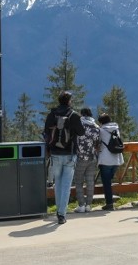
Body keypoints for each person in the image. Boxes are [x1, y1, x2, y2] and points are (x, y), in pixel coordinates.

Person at [43, 91, 85, 224]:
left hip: (55, 153)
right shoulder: (74, 115)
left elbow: (46, 131)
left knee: (58, 183)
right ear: (69, 101)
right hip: (70, 153)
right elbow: (81, 132)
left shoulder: (52, 114)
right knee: (66, 185)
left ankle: (58, 210)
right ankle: (61, 214)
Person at [72, 108, 100, 214]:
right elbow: (97, 142)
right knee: (90, 182)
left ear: (81, 114)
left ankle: (81, 205)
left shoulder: (79, 124)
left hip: (80, 157)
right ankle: (88, 205)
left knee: (78, 181)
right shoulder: (96, 126)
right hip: (92, 157)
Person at [97, 113, 124, 211]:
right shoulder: (116, 128)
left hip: (105, 159)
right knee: (110, 179)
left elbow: (98, 141)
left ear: (101, 122)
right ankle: (110, 202)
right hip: (116, 159)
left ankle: (109, 203)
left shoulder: (101, 130)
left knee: (107, 183)